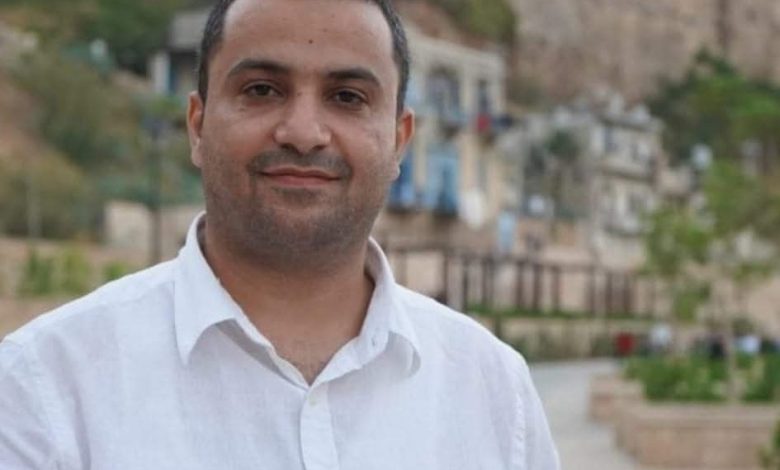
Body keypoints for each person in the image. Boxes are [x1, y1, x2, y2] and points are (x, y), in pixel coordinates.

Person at [0, 0, 560, 468]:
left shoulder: (495, 392)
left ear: (399, 141)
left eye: (347, 97)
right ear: (197, 126)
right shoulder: (45, 388)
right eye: (263, 89)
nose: (303, 132)